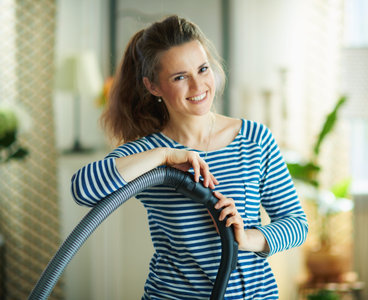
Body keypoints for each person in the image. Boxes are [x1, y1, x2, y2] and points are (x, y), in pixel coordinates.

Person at [71, 15, 308, 299]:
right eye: (180, 77)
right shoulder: (151, 153)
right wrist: (165, 155)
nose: (198, 87)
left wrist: (246, 239)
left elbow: (296, 224)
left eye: (202, 69)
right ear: (153, 86)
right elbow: (82, 190)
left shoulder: (253, 139)